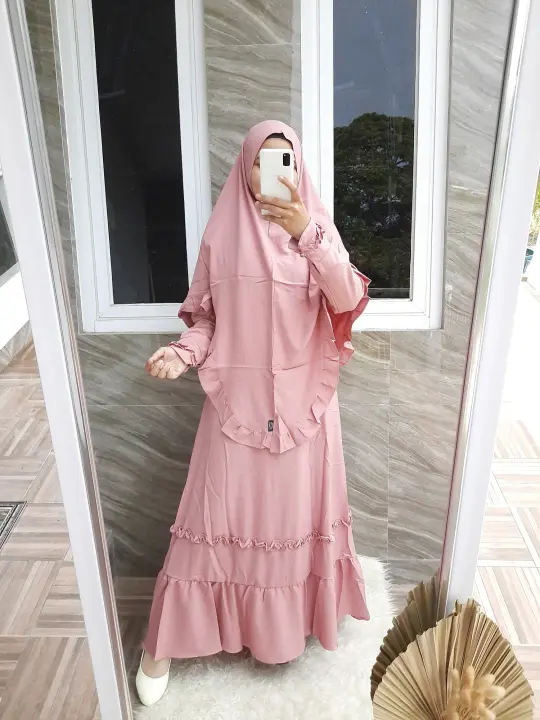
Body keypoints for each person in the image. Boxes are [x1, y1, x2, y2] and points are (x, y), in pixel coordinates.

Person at [135, 120, 371, 706]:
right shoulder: (221, 237)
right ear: (245, 167)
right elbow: (206, 319)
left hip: (304, 410)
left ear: (298, 168)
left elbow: (347, 298)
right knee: (210, 517)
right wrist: (182, 353)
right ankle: (161, 644)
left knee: (291, 521)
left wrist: (307, 232)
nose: (274, 172)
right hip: (236, 407)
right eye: (263, 160)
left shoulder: (317, 229)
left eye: (285, 160)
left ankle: (283, 629)